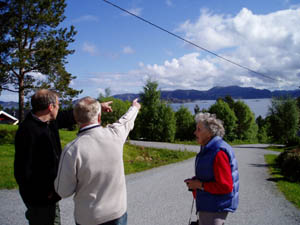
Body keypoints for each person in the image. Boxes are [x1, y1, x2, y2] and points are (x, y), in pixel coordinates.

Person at [14, 89, 112, 225]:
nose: (59, 108)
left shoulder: (50, 120)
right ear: (50, 107)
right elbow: (23, 172)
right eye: (58, 105)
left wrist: (98, 107)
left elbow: (71, 115)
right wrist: (44, 194)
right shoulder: (27, 131)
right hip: (39, 198)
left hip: (50, 194)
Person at [54, 96, 141, 225]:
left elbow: (63, 191)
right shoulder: (115, 134)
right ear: (99, 117)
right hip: (117, 213)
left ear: (77, 119)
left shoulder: (72, 150)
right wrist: (134, 107)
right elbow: (126, 121)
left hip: (89, 218)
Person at [184, 112, 239, 225]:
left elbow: (226, 186)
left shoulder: (218, 152)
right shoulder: (209, 149)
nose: (195, 132)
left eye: (199, 129)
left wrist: (199, 185)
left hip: (215, 208)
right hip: (211, 205)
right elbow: (212, 175)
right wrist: (195, 181)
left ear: (209, 133)